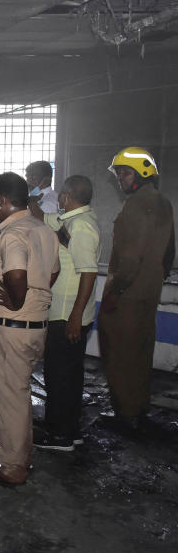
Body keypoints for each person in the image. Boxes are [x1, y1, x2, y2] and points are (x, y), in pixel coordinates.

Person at [0, 172, 60, 486]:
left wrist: (17, 300)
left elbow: (16, 276)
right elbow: (54, 272)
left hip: (11, 330)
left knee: (9, 398)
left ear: (1, 200)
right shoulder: (43, 230)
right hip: (36, 327)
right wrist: (31, 299)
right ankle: (23, 459)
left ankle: (12, 468)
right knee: (20, 395)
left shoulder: (13, 235)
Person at [98, 147, 175, 432]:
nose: (120, 178)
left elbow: (129, 258)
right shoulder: (163, 202)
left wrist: (115, 293)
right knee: (141, 352)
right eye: (118, 172)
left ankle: (126, 414)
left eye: (125, 172)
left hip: (127, 295)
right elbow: (169, 252)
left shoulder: (135, 205)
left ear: (143, 172)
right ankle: (138, 407)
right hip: (149, 292)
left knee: (120, 353)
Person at [29, 176, 101, 451]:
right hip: (65, 313)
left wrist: (74, 316)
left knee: (59, 375)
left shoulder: (81, 227)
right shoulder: (71, 219)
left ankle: (59, 435)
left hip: (68, 315)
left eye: (61, 195)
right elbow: (42, 218)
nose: (58, 198)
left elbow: (89, 273)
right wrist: (34, 195)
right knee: (70, 375)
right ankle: (70, 428)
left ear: (67, 196)